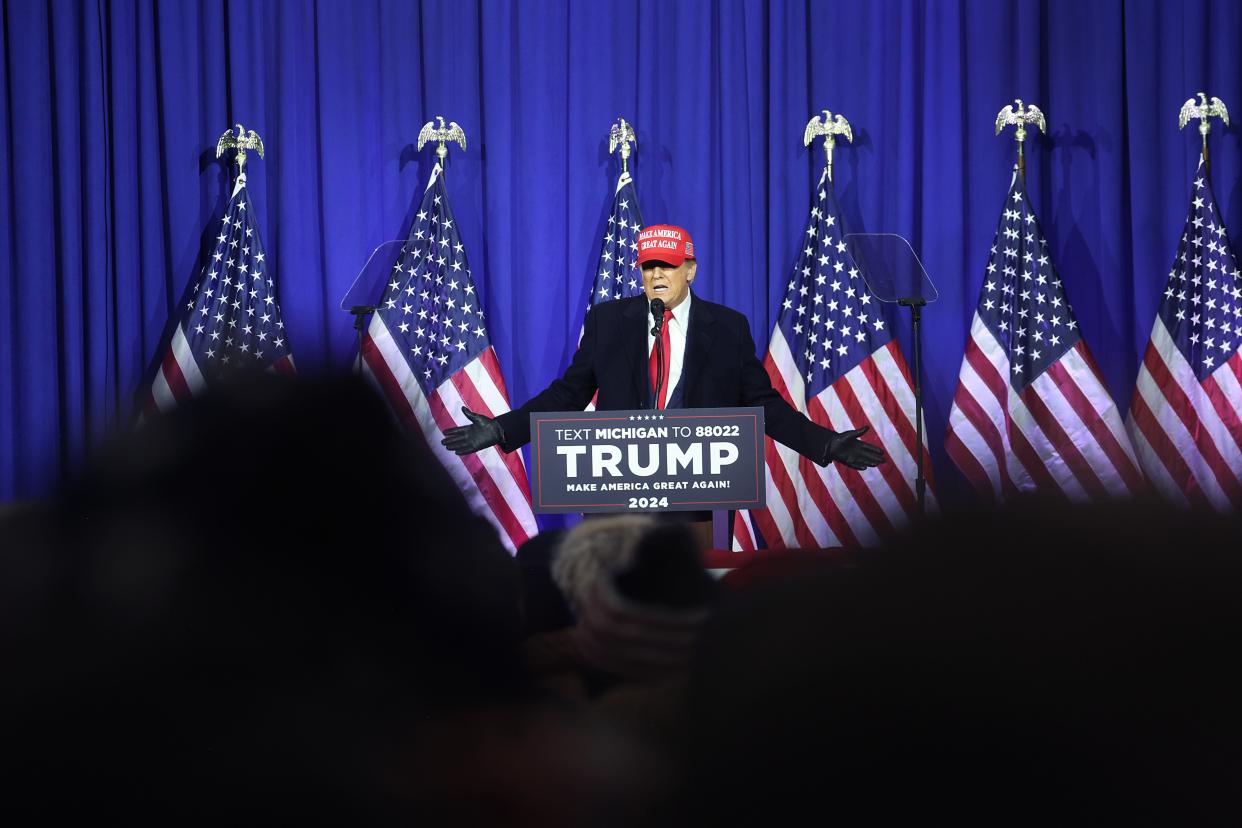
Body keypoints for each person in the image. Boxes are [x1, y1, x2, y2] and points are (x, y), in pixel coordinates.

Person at [442, 224, 884, 471]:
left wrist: (825, 444)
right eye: (648, 266)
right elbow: (568, 396)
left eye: (667, 266)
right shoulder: (609, 322)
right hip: (618, 491)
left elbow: (763, 404)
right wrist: (504, 429)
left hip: (695, 496)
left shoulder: (728, 329)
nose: (656, 275)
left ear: (690, 269)